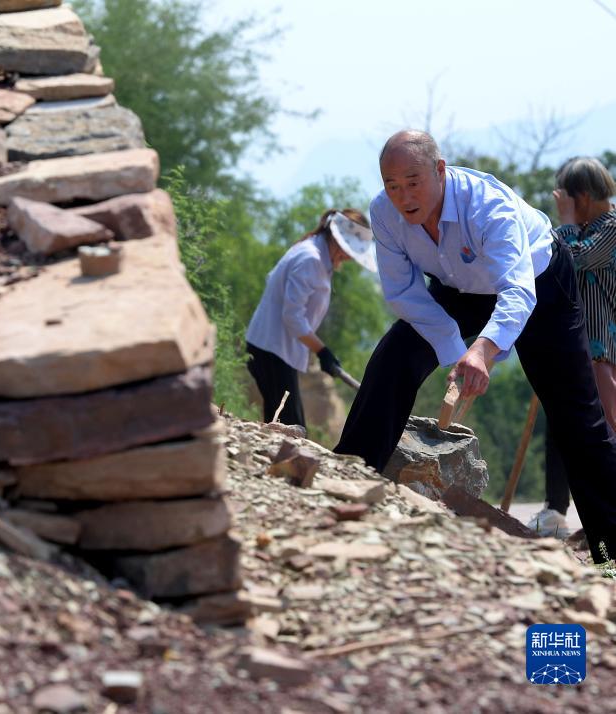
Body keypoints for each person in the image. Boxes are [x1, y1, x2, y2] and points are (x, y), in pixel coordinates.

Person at [334, 130, 616, 564]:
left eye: (414, 182)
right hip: (457, 287)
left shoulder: (487, 205)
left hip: (539, 282)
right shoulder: (384, 214)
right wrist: (454, 352)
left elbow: (518, 293)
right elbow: (402, 293)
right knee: (396, 356)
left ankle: (611, 552)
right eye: (392, 185)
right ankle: (347, 478)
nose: (404, 196)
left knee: (577, 417)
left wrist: (483, 350)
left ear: (440, 171)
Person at [525, 157, 616, 537]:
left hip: (603, 350)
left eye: (566, 196)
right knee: (567, 427)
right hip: (581, 347)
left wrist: (562, 222)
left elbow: (569, 259)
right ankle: (563, 510)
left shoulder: (610, 229)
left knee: (605, 429)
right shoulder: (584, 231)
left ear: (581, 196)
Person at [245, 209, 377, 426]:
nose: (348, 257)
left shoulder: (316, 254)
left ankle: (273, 459)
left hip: (275, 349)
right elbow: (292, 316)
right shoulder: (311, 258)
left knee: (283, 422)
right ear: (335, 237)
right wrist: (322, 351)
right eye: (346, 249)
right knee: (290, 426)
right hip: (271, 349)